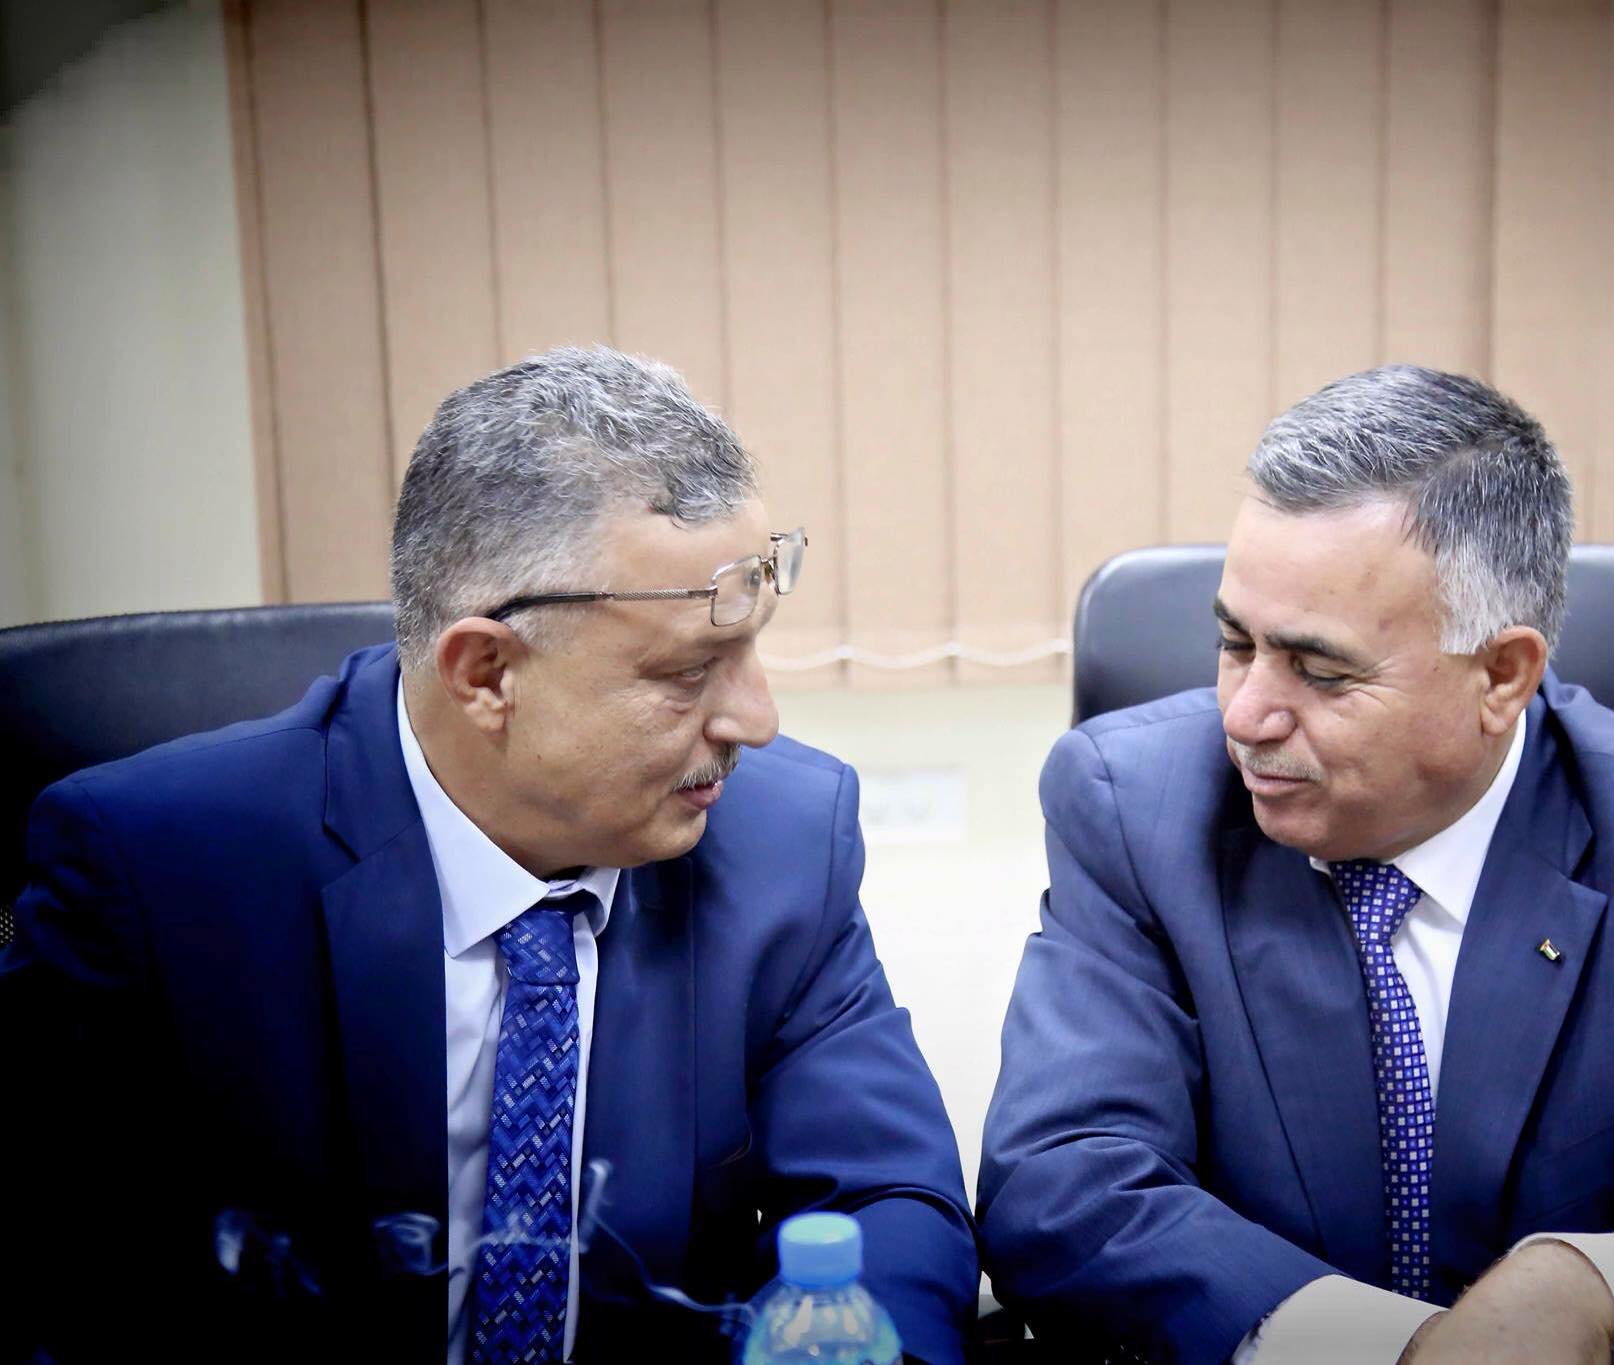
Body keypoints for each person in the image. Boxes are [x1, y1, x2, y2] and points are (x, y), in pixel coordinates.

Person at [2, 347, 977, 1363]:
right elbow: (49, 1281)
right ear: (485, 674)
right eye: (689, 672)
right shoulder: (155, 876)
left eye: (752, 649)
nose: (758, 721)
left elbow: (886, 1199)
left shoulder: (786, 841)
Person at [977, 365, 1614, 1362]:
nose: (1245, 716)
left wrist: (1586, 1286)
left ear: (1501, 675)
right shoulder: (1133, 807)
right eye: (1233, 644)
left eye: (1320, 670)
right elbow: (1062, 1186)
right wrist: (1403, 1348)